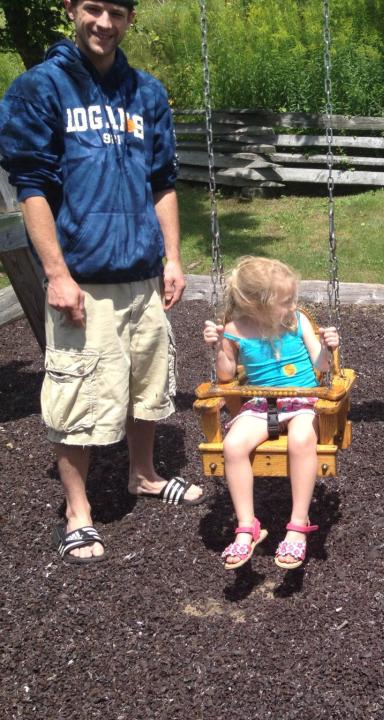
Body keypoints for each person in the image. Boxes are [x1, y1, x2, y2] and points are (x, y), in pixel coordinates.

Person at [0, 0, 205, 565]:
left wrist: (172, 257)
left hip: (142, 274)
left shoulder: (147, 93)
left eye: (117, 11)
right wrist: (56, 274)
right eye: (93, 8)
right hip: (82, 281)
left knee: (146, 383)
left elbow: (163, 181)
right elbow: (31, 186)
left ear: (130, 17)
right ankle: (78, 511)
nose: (104, 23)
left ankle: (143, 475)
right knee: (76, 395)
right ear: (72, 8)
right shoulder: (39, 87)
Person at [202, 256, 340, 571]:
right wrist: (219, 345)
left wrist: (328, 349)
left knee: (302, 438)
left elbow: (321, 366)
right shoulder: (235, 330)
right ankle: (246, 526)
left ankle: (297, 525)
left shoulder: (298, 322)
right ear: (258, 305)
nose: (294, 305)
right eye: (286, 301)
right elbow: (224, 377)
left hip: (303, 400)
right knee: (233, 445)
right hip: (261, 405)